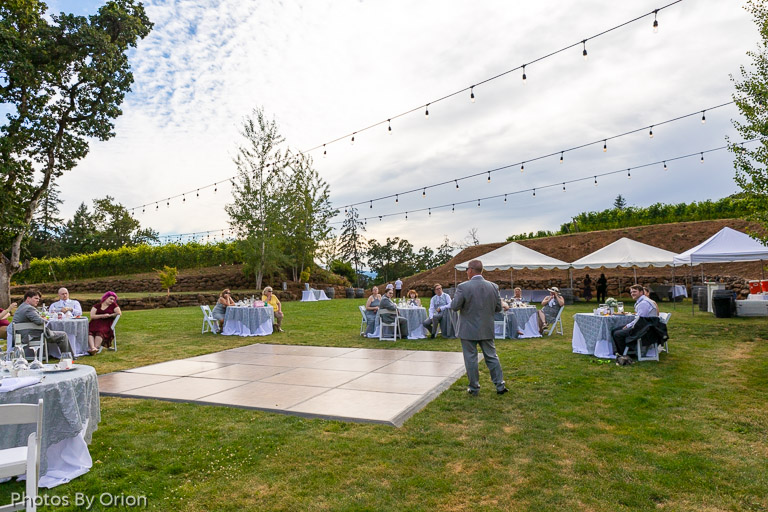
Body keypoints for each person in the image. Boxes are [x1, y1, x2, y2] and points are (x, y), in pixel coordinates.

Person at [450, 259, 508, 396]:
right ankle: (500, 385)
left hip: (468, 328)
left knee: (470, 358)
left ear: (470, 270)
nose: (466, 272)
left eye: (467, 270)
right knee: (492, 356)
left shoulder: (463, 287)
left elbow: (454, 306)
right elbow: (498, 308)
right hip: (486, 327)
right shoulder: (493, 286)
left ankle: (474, 387)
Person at [12, 290, 73, 358]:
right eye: (36, 298)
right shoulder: (29, 309)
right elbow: (40, 321)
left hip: (20, 335)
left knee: (52, 333)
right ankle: (67, 357)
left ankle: (49, 354)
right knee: (63, 335)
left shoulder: (21, 307)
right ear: (28, 298)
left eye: (38, 299)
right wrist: (46, 319)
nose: (38, 300)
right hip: (30, 336)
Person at [611, 284, 658, 357]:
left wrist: (628, 326)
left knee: (617, 334)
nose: (632, 293)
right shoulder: (642, 301)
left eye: (634, 291)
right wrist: (628, 326)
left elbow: (640, 320)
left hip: (646, 329)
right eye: (631, 292)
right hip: (644, 326)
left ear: (641, 292)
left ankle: (624, 354)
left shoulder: (644, 303)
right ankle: (623, 351)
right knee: (614, 330)